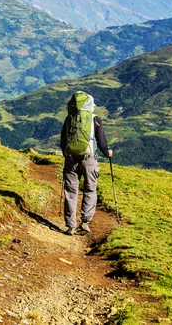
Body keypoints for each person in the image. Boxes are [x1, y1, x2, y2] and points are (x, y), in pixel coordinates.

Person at [60, 91, 113, 235]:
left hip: (71, 159)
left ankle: (70, 226)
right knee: (90, 189)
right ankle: (85, 221)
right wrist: (107, 151)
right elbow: (101, 141)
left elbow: (63, 140)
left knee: (71, 192)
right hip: (88, 159)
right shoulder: (95, 119)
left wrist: (66, 154)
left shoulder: (69, 118)